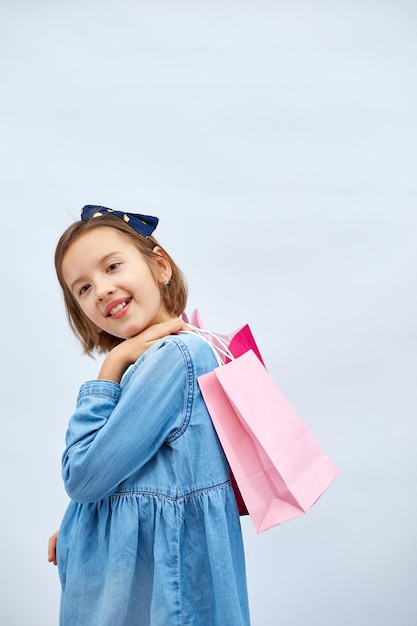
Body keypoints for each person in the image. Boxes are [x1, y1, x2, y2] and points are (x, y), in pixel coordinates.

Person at [48, 206, 250, 626]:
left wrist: (111, 365)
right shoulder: (168, 353)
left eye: (113, 266)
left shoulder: (174, 357)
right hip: (140, 576)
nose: (101, 290)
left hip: (157, 592)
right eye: (82, 288)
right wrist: (81, 523)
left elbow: (82, 475)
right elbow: (139, 472)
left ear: (160, 265)